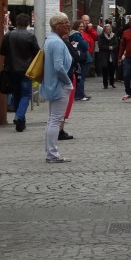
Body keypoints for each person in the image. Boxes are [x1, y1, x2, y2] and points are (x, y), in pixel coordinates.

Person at [38, 13, 74, 164]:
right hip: (59, 85)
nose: (67, 25)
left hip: (52, 84)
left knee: (52, 119)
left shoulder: (50, 40)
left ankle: (50, 152)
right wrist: (68, 82)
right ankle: (52, 154)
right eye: (65, 23)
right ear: (57, 26)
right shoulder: (58, 43)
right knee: (56, 120)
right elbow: (59, 67)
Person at [0, 12, 41, 132]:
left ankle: (20, 124)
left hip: (11, 69)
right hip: (26, 70)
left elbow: (2, 51)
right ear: (28, 23)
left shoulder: (8, 35)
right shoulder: (30, 36)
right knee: (26, 95)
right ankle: (19, 116)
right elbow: (37, 53)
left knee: (17, 94)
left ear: (16, 22)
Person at [96, 20, 119, 89]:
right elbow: (100, 45)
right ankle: (105, 84)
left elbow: (116, 44)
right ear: (104, 30)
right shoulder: (101, 36)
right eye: (106, 29)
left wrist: (113, 47)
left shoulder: (113, 35)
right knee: (105, 69)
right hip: (104, 55)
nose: (108, 30)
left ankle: (112, 82)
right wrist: (107, 48)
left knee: (112, 69)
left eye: (109, 29)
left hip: (112, 55)